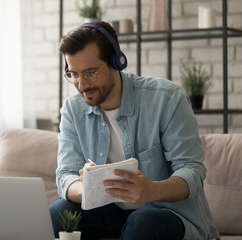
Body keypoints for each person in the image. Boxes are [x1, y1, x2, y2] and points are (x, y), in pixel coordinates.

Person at [49, 21, 219, 240]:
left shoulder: (166, 98)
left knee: (143, 222)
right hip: (109, 213)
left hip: (164, 213)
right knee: (57, 213)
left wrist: (151, 190)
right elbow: (65, 175)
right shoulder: (73, 110)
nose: (82, 84)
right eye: (73, 74)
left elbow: (192, 171)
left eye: (90, 72)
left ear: (116, 62)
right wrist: (88, 188)